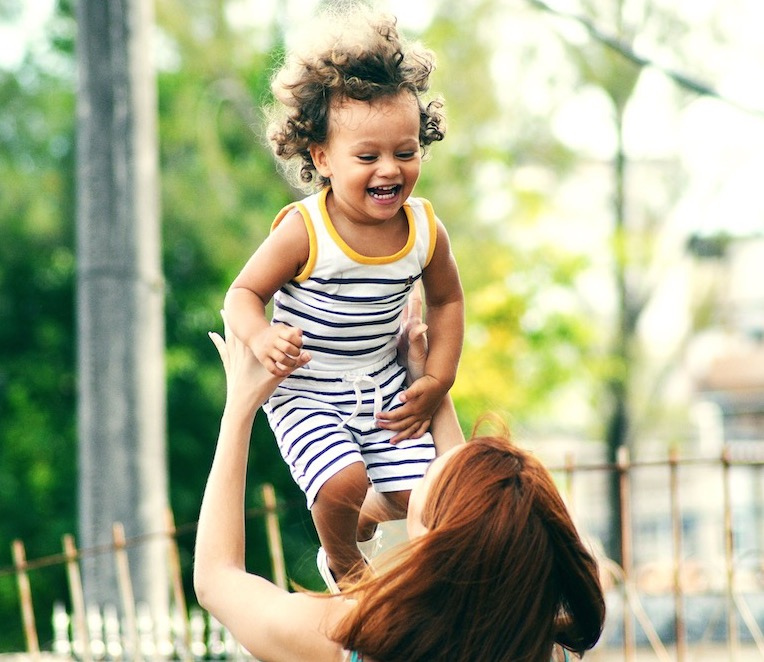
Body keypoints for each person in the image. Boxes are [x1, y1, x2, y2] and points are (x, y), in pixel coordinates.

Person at [194, 307, 606, 661]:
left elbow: (217, 580)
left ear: (434, 540)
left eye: (432, 473)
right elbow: (470, 515)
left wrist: (240, 407)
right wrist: (425, 382)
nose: (431, 461)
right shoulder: (540, 646)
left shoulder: (350, 638)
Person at [223, 8, 464, 588]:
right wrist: (261, 336)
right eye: (368, 157)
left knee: (422, 496)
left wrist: (436, 380)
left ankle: (366, 515)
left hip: (381, 380)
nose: (390, 170)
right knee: (341, 483)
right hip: (307, 386)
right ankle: (346, 567)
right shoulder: (306, 231)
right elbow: (241, 293)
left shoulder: (425, 230)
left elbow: (449, 303)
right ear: (322, 157)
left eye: (405, 153)